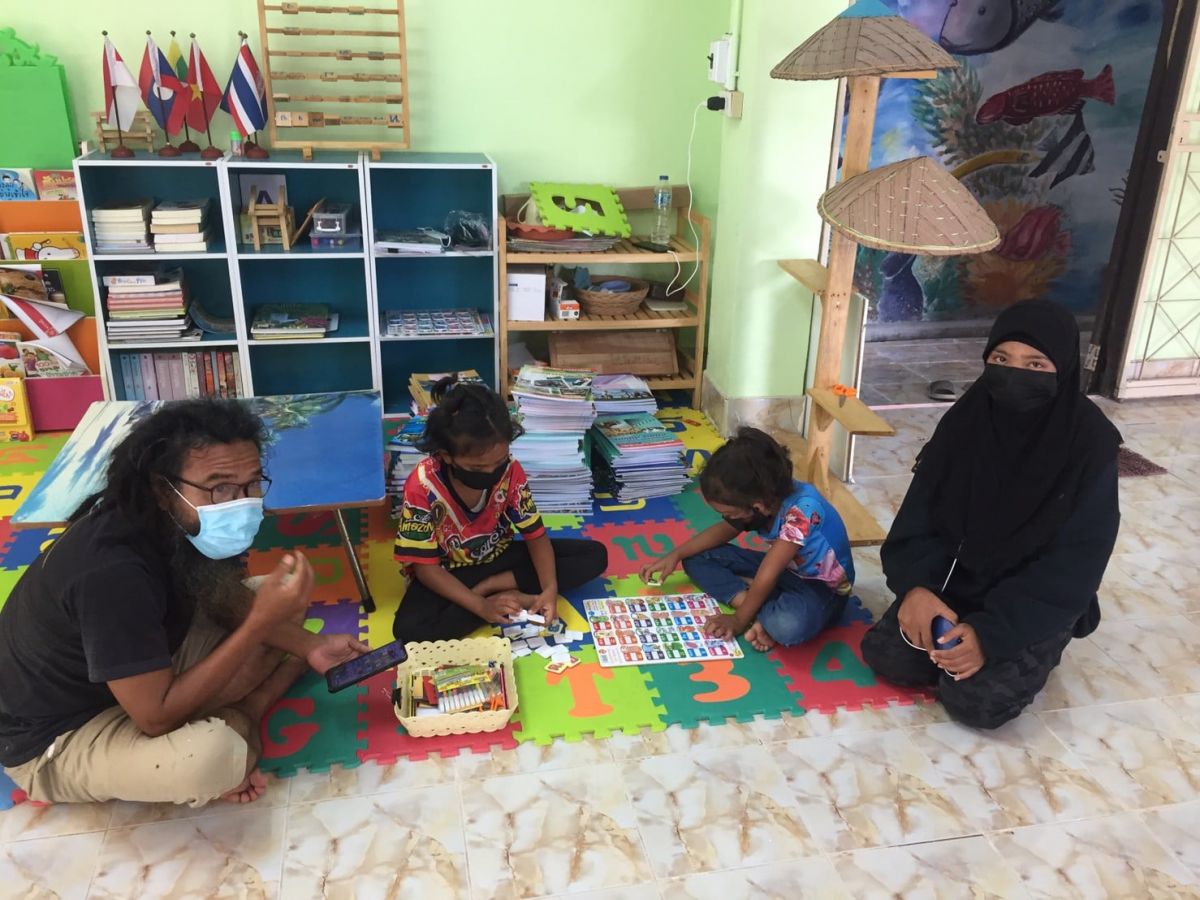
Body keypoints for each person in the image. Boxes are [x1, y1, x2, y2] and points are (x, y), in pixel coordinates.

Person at [0, 400, 367, 807]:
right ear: (162, 489)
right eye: (220, 487)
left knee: (276, 596)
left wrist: (311, 646)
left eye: (251, 484)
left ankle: (235, 711)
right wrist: (258, 627)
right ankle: (251, 708)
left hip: (138, 666)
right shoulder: (111, 571)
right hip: (62, 733)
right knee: (208, 758)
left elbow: (221, 597)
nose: (240, 502)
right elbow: (156, 718)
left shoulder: (179, 520)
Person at [861, 299, 1122, 729]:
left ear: (1063, 368)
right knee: (890, 658)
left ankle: (1049, 640)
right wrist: (917, 588)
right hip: (958, 578)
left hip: (1034, 598)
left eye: (1035, 365)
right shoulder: (967, 420)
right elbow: (919, 515)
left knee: (977, 703)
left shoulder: (1090, 445)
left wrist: (991, 634)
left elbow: (1076, 562)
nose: (1014, 375)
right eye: (1001, 359)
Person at [392, 380, 607, 641]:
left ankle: (497, 589)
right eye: (476, 468)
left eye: (499, 462)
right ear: (446, 456)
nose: (491, 472)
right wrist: (481, 606)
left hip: (499, 557)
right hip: (449, 571)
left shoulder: (511, 470)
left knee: (595, 555)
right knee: (408, 630)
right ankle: (490, 600)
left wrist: (549, 590)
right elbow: (426, 569)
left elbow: (536, 536)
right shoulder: (422, 485)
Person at [641, 427, 854, 651]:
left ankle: (760, 605)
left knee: (788, 626)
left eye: (730, 514)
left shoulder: (803, 511)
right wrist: (675, 555)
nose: (727, 519)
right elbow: (725, 531)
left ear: (758, 506)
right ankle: (761, 603)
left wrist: (739, 619)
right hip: (784, 570)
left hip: (821, 588)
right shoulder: (764, 497)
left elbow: (769, 571)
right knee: (695, 557)